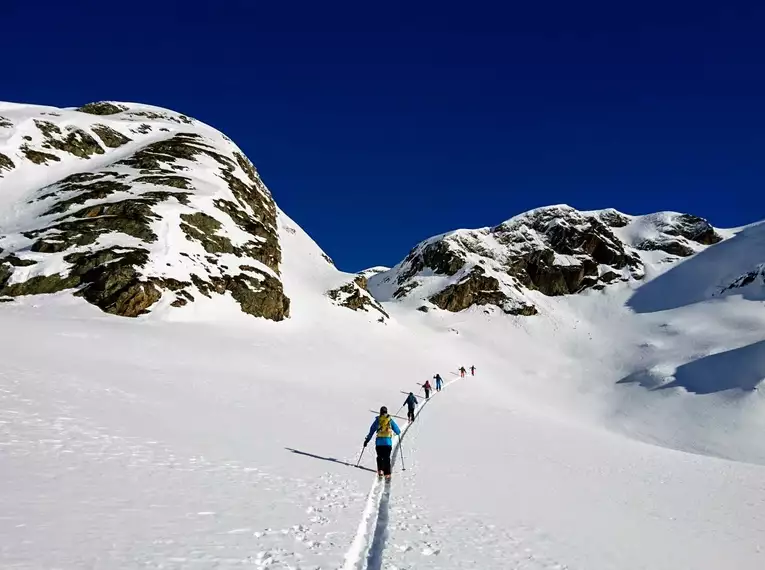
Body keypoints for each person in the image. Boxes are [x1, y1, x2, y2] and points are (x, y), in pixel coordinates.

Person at [364, 406, 401, 479]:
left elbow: (371, 431)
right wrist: (396, 433)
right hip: (388, 443)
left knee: (379, 457)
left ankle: (380, 470)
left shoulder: (377, 420)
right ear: (386, 412)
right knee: (387, 458)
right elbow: (398, 431)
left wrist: (367, 440)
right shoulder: (390, 420)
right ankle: (387, 474)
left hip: (379, 443)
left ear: (380, 412)